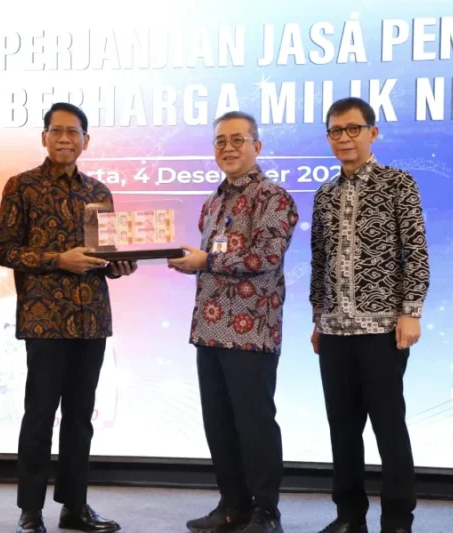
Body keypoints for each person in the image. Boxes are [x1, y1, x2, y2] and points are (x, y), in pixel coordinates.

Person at [0, 102, 136, 533]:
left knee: (80, 418)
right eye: (56, 131)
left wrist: (121, 265)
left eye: (73, 132)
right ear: (44, 137)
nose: (64, 139)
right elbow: (5, 250)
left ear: (85, 141)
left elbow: (106, 258)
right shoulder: (22, 186)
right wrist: (58, 259)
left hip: (92, 319)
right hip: (44, 320)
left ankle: (75, 507)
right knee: (39, 416)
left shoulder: (99, 192)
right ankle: (30, 510)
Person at [168, 110, 299, 533]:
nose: (228, 147)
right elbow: (216, 260)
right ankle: (232, 506)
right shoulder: (213, 201)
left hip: (251, 332)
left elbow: (265, 257)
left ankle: (266, 511)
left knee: (255, 424)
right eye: (220, 141)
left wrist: (205, 261)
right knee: (219, 423)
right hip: (209, 329)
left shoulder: (274, 198)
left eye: (237, 139)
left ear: (256, 146)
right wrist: (192, 261)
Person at [310, 97, 430, 533]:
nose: (344, 138)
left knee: (388, 425)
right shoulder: (324, 194)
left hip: (382, 328)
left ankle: (397, 519)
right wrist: (317, 318)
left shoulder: (398, 183)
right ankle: (349, 516)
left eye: (353, 129)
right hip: (334, 330)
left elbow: (415, 251)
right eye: (335, 131)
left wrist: (411, 311)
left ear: (372, 133)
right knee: (342, 429)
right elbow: (319, 260)